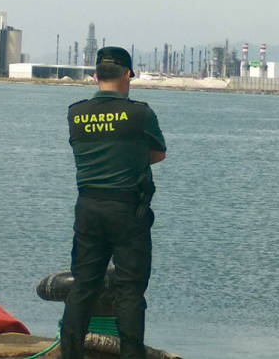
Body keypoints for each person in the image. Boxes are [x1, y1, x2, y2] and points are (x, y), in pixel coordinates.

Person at [61, 46, 166, 359]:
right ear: (128, 75)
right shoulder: (140, 113)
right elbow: (158, 153)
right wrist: (129, 157)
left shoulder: (75, 112)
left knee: (82, 286)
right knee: (130, 290)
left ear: (95, 76)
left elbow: (83, 149)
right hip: (127, 211)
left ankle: (70, 354)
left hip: (88, 207)